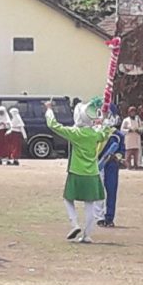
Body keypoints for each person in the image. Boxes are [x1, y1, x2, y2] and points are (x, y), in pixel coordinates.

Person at [45, 97, 112, 244]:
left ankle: (74, 224)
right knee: (90, 205)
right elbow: (105, 132)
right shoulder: (94, 134)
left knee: (68, 199)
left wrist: (49, 109)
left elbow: (54, 125)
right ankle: (87, 235)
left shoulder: (75, 133)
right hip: (93, 173)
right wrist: (106, 120)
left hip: (76, 171)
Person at [97, 108, 125, 228]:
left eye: (107, 114)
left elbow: (122, 151)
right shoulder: (96, 132)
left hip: (112, 165)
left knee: (111, 191)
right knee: (98, 191)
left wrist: (116, 156)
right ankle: (99, 217)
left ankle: (109, 217)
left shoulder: (118, 135)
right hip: (98, 164)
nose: (105, 116)